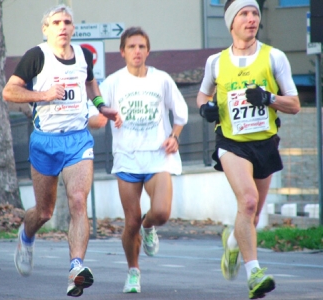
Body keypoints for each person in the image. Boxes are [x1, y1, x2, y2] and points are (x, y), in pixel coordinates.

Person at [2, 4, 122, 297]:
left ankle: (75, 268)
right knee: (44, 211)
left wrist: (101, 106)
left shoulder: (83, 55)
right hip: (45, 141)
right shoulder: (36, 56)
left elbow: (90, 82)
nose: (63, 26)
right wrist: (43, 95)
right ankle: (26, 235)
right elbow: (9, 91)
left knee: (78, 201)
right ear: (46, 29)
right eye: (56, 22)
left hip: (78, 140)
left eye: (67, 21)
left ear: (73, 27)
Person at [197, 0, 300, 299]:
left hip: (265, 142)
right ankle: (254, 272)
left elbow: (294, 104)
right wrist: (206, 110)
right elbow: (203, 95)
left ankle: (232, 242)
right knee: (250, 201)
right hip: (231, 142)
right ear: (231, 22)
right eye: (244, 13)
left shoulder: (274, 57)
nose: (252, 19)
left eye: (255, 13)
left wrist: (268, 98)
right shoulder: (216, 62)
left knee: (250, 216)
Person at [99, 27, 188, 294]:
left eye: (141, 47)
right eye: (131, 47)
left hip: (157, 156)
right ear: (122, 52)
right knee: (131, 221)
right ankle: (133, 271)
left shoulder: (161, 80)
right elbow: (96, 113)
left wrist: (174, 136)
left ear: (147, 51)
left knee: (160, 212)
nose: (137, 51)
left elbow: (180, 113)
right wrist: (103, 115)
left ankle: (149, 228)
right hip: (127, 159)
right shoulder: (113, 82)